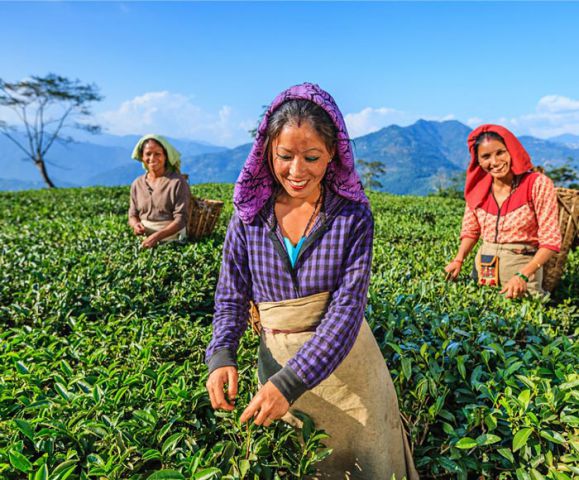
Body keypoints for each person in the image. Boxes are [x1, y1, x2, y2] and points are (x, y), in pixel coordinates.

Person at [205, 83, 418, 479]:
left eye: (312, 157)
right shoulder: (249, 217)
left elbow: (346, 312)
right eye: (285, 156)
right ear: (268, 152)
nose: (296, 171)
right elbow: (231, 296)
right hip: (276, 368)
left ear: (333, 154)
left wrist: (289, 384)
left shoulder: (352, 217)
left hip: (350, 376)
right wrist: (221, 356)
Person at [444, 124, 561, 297]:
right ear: (478, 161)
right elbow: (471, 230)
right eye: (486, 156)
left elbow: (551, 240)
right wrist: (459, 259)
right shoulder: (478, 189)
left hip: (521, 276)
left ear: (511, 151)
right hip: (483, 272)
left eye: (500, 152)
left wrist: (523, 274)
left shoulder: (537, 184)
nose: (495, 162)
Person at [128, 134, 191, 248]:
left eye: (157, 154)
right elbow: (133, 215)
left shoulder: (177, 182)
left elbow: (181, 219)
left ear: (166, 157)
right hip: (144, 239)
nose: (152, 158)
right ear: (142, 157)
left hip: (171, 238)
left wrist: (157, 237)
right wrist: (136, 225)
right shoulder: (137, 184)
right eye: (148, 154)